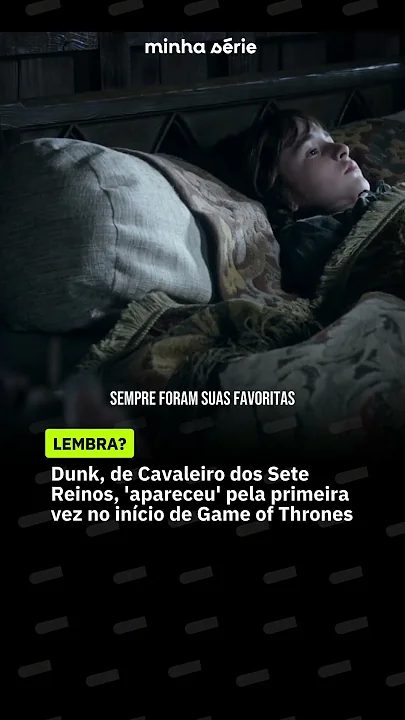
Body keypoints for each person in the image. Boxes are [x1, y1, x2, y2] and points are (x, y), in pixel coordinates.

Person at [207, 108, 390, 299]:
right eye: (313, 151)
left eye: (330, 140)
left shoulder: (384, 196)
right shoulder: (310, 238)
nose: (342, 148)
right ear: (284, 196)